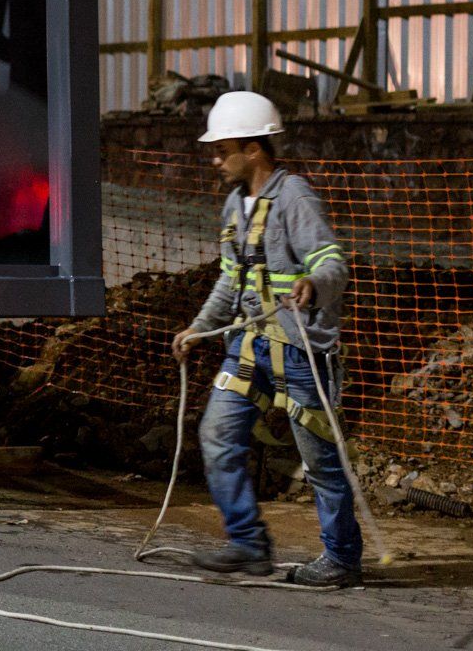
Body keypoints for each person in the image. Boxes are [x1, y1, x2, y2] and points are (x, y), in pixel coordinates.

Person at [172, 91, 363, 588]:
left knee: (319, 459)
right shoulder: (236, 205)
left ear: (253, 149)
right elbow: (230, 278)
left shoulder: (294, 197)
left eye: (223, 150)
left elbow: (330, 262)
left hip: (301, 350)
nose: (216, 160)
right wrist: (199, 327)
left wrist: (314, 284)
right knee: (217, 434)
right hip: (250, 345)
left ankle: (341, 558)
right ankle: (248, 545)